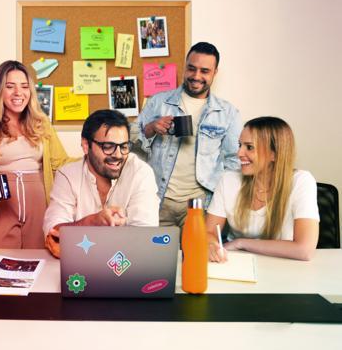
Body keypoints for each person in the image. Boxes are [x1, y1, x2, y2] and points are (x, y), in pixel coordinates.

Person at [0, 60, 72, 249]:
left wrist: (94, 157)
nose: (18, 93)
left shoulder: (41, 123)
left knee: (40, 262)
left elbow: (62, 164)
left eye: (24, 86)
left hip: (39, 207)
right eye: (10, 86)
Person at [135, 42, 242, 227]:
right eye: (191, 68)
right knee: (151, 247)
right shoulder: (159, 102)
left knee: (197, 247)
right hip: (158, 201)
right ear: (185, 67)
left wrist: (218, 195)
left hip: (201, 206)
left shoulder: (228, 113)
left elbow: (234, 160)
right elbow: (129, 143)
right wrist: (150, 129)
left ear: (215, 72)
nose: (196, 76)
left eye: (204, 71)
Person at [43, 109, 160, 258]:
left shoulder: (141, 173)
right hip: (79, 267)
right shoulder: (67, 175)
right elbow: (54, 234)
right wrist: (92, 222)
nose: (118, 155)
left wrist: (81, 238)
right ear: (86, 145)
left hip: (126, 267)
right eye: (108, 146)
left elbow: (145, 238)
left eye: (124, 146)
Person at [206, 117, 319, 261]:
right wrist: (210, 244)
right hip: (237, 263)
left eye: (249, 147)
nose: (239, 153)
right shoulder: (228, 180)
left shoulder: (302, 181)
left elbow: (304, 250)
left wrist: (241, 243)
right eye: (240, 145)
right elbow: (209, 232)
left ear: (274, 154)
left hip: (285, 265)